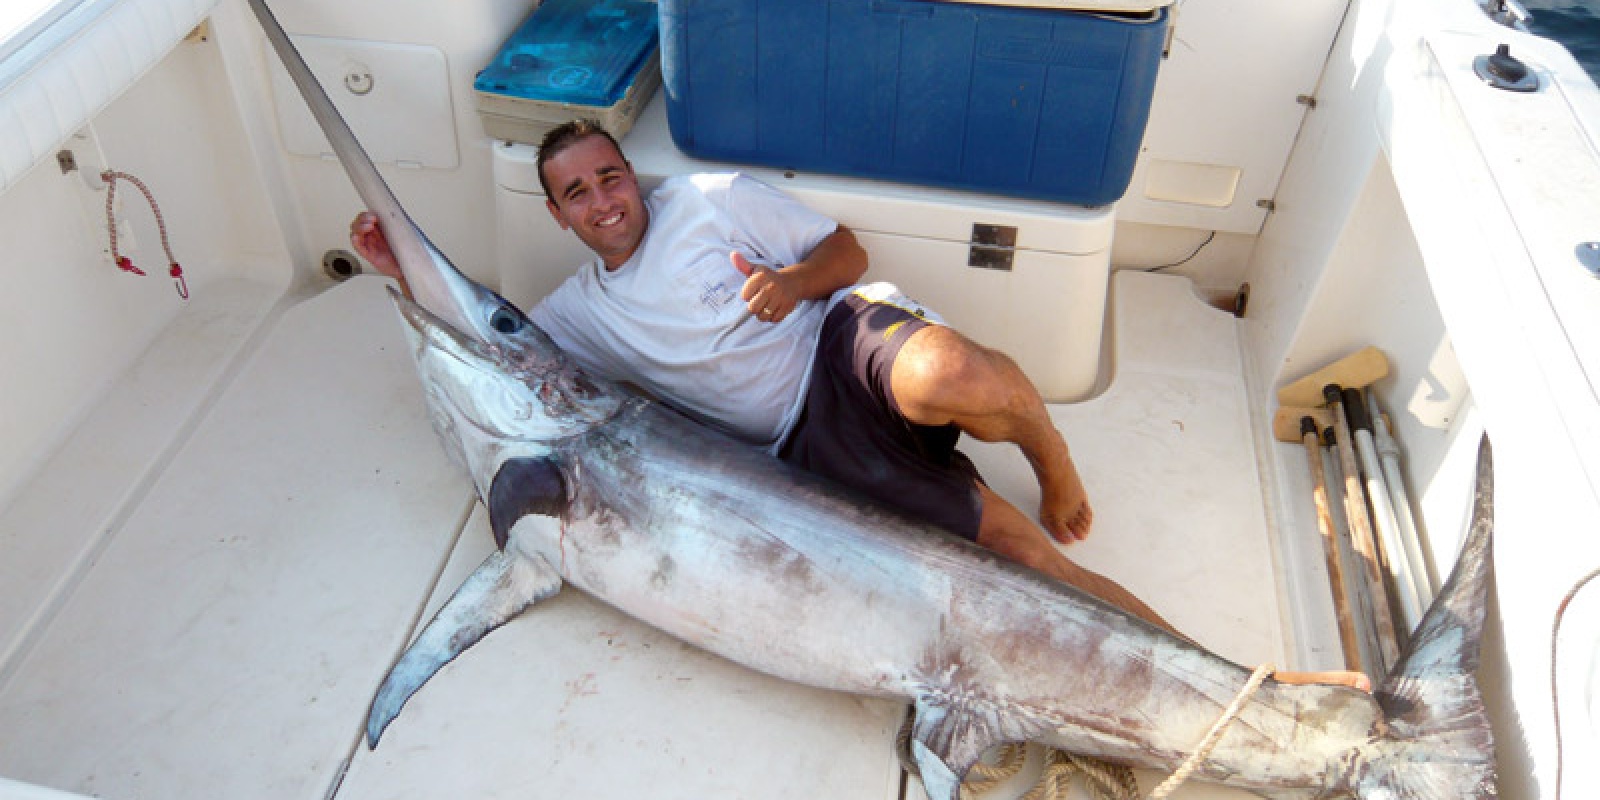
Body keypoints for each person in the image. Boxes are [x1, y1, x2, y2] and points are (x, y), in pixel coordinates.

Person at [352, 120, 1368, 691]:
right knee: (1019, 559)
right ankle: (1239, 690)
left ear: (628, 173)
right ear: (559, 213)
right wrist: (394, 269)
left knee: (957, 380)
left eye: (610, 174)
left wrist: (794, 287)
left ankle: (1051, 448)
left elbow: (847, 252)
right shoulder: (576, 318)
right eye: (577, 192)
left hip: (841, 340)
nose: (604, 197)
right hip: (805, 444)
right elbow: (494, 344)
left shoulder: (707, 199)